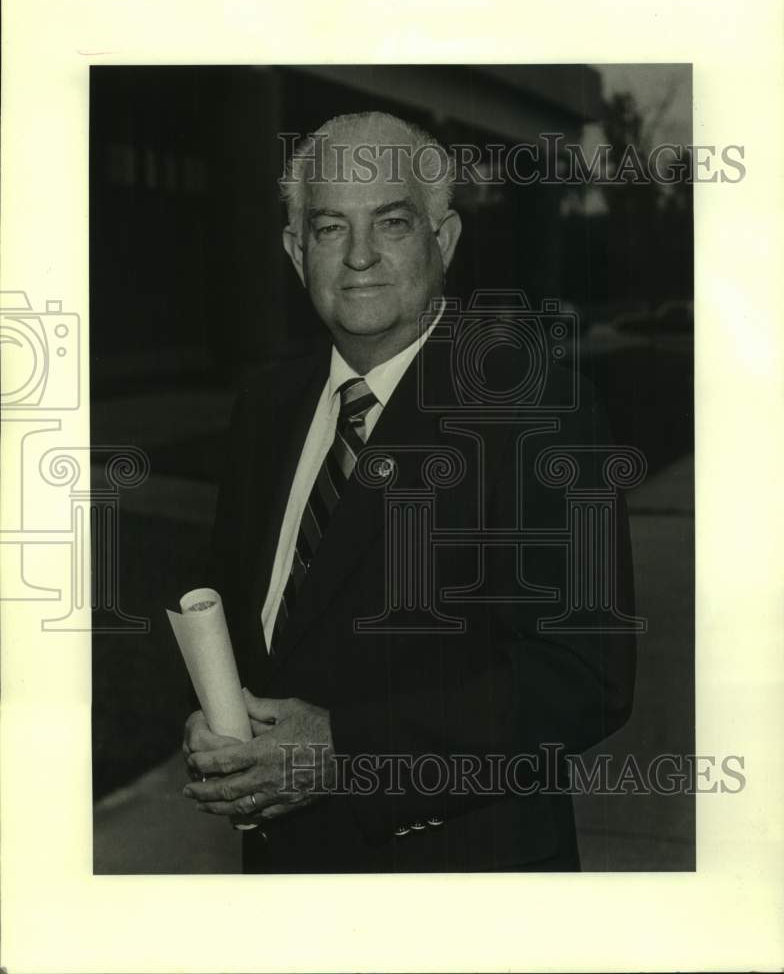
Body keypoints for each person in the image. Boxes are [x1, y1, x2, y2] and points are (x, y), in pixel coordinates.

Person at [181, 111, 637, 873]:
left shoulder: (536, 413)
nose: (359, 257)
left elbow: (584, 678)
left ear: (444, 240)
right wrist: (212, 719)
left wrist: (342, 749)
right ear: (297, 252)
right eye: (329, 229)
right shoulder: (267, 406)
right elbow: (247, 615)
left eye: (391, 223)